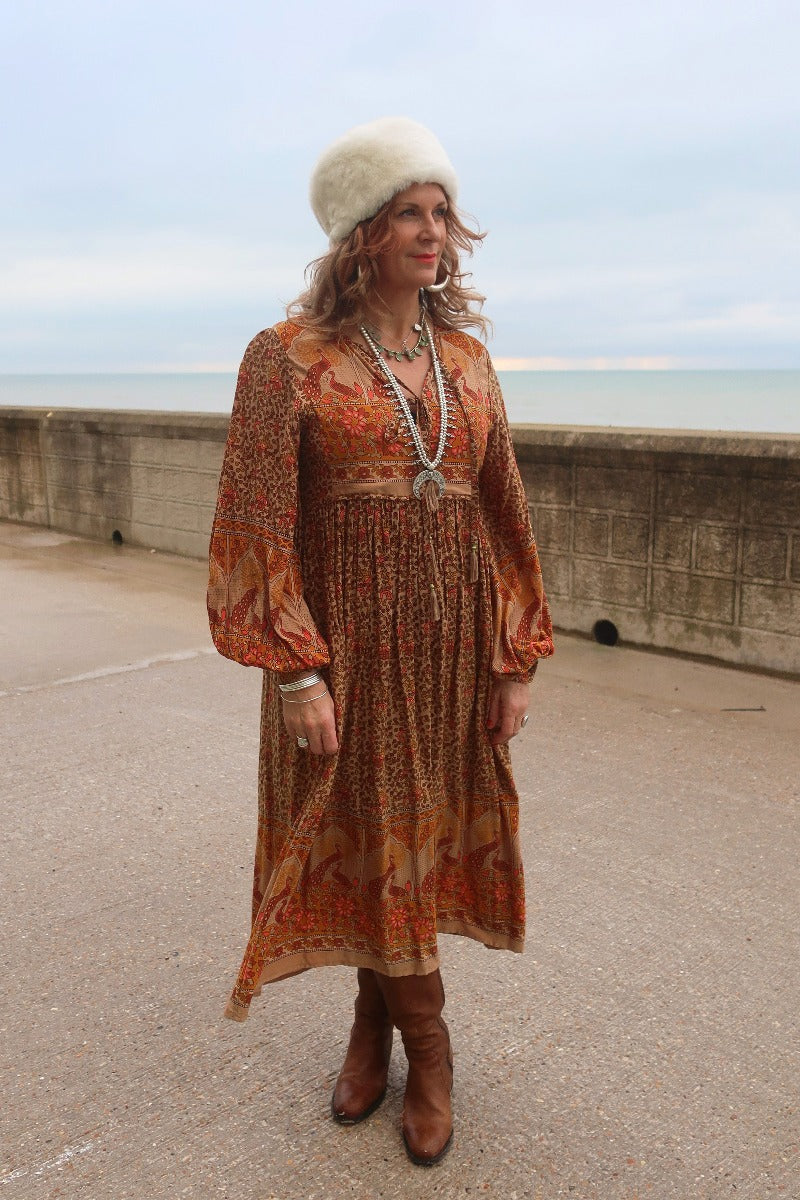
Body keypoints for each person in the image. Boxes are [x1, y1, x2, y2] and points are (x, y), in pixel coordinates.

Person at [207, 116, 554, 1167]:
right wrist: (294, 670)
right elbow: (253, 525)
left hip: (449, 651)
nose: (431, 231)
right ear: (359, 232)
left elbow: (504, 513)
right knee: (364, 835)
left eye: (440, 212)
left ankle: (375, 1027)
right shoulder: (286, 359)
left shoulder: (466, 361)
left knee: (415, 845)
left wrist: (515, 652)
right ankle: (429, 1047)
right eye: (409, 211)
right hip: (342, 652)